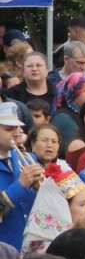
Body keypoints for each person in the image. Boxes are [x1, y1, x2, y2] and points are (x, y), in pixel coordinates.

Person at [0, 101, 42, 248]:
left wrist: (42, 189)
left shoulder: (27, 158)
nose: (17, 132)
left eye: (18, 127)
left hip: (30, 246)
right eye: (9, 129)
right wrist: (20, 185)